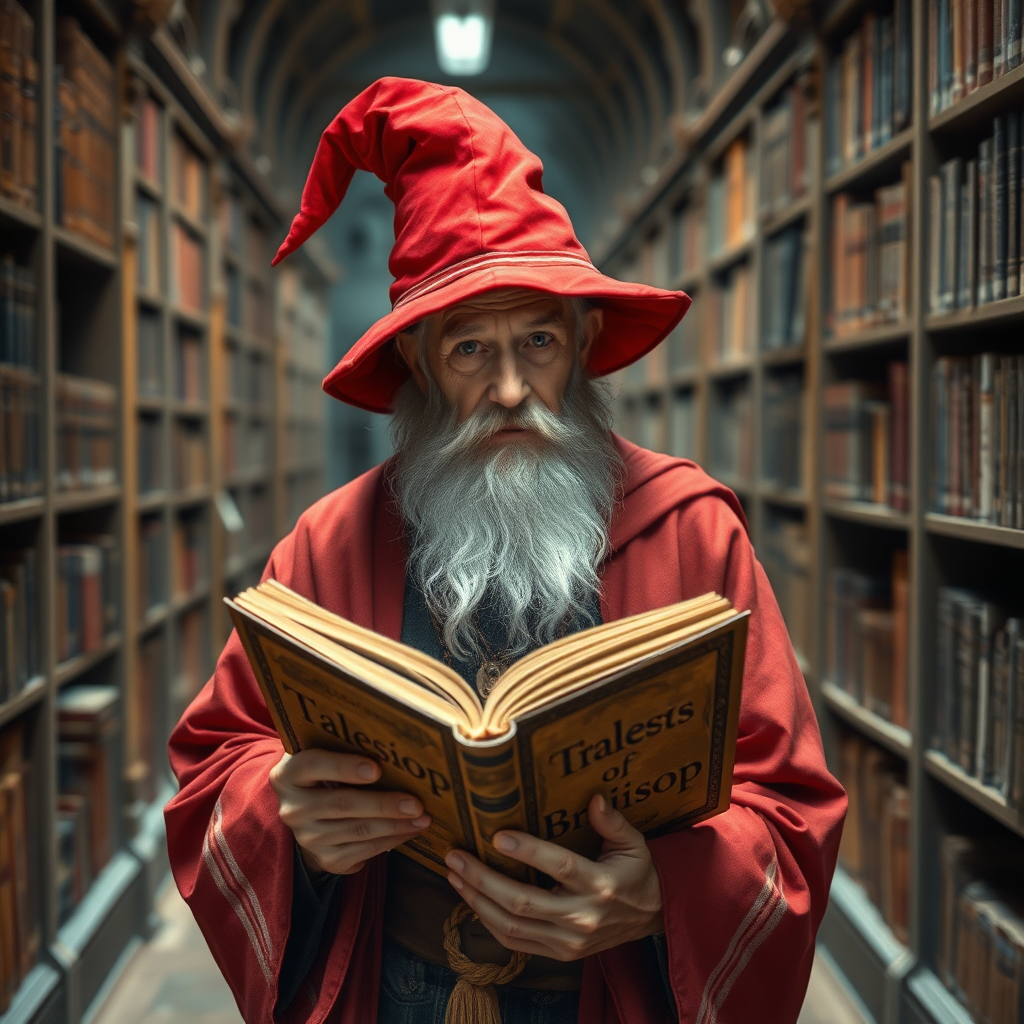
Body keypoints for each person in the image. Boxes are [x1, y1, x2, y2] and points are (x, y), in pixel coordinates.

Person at [165, 77, 846, 1024]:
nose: (513, 388)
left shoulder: (692, 532)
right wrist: (283, 813)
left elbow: (791, 806)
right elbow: (215, 762)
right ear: (416, 362)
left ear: (584, 339)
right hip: (389, 991)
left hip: (610, 994)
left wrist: (665, 890)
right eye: (470, 350)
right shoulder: (327, 544)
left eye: (538, 340)